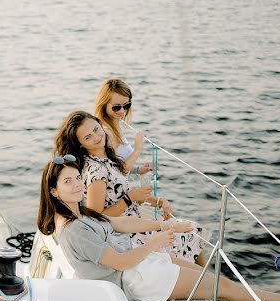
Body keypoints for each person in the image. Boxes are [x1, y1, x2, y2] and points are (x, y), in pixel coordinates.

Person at [37, 157, 280, 301]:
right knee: (222, 288)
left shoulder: (83, 213)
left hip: (141, 267)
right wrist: (153, 243)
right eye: (68, 182)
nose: (78, 184)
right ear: (54, 191)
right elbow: (119, 262)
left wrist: (164, 225)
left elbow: (123, 224)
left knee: (221, 289)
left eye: (78, 178)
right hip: (135, 279)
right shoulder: (74, 231)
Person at [54, 110, 207, 265]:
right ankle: (204, 283)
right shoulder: (96, 171)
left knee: (191, 230)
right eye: (88, 137)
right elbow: (97, 218)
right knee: (191, 231)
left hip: (134, 222)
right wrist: (130, 198)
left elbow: (119, 192)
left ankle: (203, 281)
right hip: (125, 234)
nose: (97, 137)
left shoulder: (105, 158)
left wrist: (160, 202)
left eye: (96, 129)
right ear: (80, 144)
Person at [93, 79, 150, 175]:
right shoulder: (107, 133)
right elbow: (112, 173)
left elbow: (116, 165)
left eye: (126, 105)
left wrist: (138, 170)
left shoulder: (114, 126)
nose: (122, 111)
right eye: (116, 107)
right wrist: (137, 150)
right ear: (103, 104)